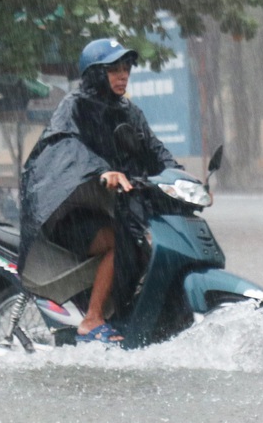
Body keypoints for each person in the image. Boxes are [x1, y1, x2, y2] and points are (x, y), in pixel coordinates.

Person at [18, 38, 180, 345]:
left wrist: (182, 178)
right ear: (95, 74)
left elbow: (154, 150)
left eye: (126, 68)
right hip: (69, 212)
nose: (123, 76)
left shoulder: (128, 112)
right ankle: (91, 319)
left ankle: (129, 316)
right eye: (114, 70)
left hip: (112, 209)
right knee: (117, 243)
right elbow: (64, 145)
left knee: (150, 244)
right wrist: (100, 170)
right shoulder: (74, 106)